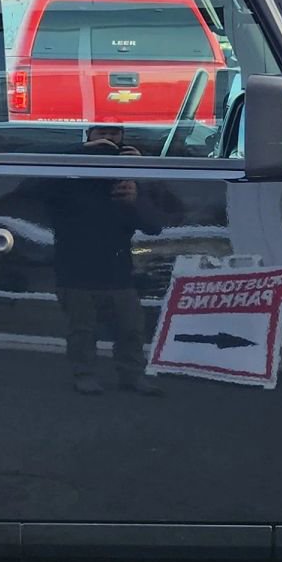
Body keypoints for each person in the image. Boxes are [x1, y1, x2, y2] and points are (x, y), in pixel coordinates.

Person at [46, 124, 166, 395]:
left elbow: (154, 225)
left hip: (118, 270)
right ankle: (84, 374)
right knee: (82, 330)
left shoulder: (127, 179)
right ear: (87, 135)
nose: (108, 141)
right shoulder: (67, 174)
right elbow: (30, 176)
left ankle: (132, 375)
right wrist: (80, 153)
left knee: (131, 328)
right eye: (101, 134)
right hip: (74, 268)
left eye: (115, 135)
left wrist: (136, 194)